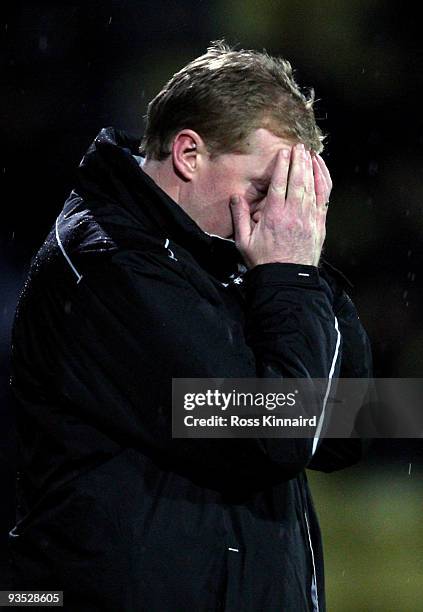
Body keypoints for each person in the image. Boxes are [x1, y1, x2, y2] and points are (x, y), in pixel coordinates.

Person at [9, 41, 372, 611]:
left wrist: (297, 272)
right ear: (188, 154)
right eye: (263, 189)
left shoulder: (245, 255)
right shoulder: (108, 268)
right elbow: (274, 434)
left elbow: (352, 426)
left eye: (293, 196)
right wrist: (291, 277)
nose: (279, 214)